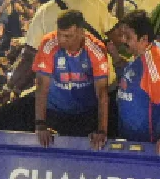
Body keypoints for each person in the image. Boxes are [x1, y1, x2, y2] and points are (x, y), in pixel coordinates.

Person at [31, 11, 111, 149]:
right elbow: (41, 86)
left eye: (68, 36)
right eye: (59, 34)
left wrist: (102, 130)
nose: (62, 40)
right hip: (56, 111)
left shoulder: (95, 48)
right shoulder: (48, 44)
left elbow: (102, 92)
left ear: (81, 33)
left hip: (86, 113)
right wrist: (40, 124)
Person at [109, 13, 160, 154]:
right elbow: (133, 74)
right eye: (122, 35)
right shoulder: (140, 53)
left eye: (128, 37)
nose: (123, 40)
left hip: (146, 147)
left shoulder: (154, 63)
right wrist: (115, 56)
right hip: (128, 140)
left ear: (144, 39)